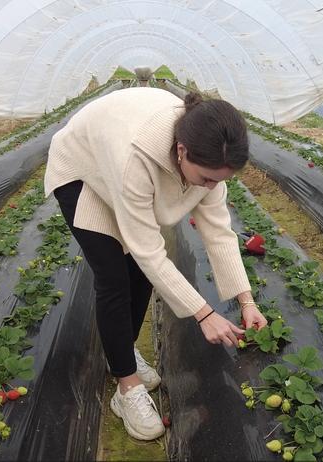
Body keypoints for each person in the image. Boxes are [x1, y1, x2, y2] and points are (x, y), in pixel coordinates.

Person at [44, 87, 268, 441]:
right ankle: (126, 389)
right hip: (84, 171)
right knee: (114, 276)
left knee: (141, 274)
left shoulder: (206, 162)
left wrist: (246, 301)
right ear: (181, 151)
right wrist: (204, 313)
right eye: (207, 178)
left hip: (122, 166)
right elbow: (148, 250)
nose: (212, 186)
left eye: (220, 180)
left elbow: (219, 233)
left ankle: (123, 349)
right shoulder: (138, 156)